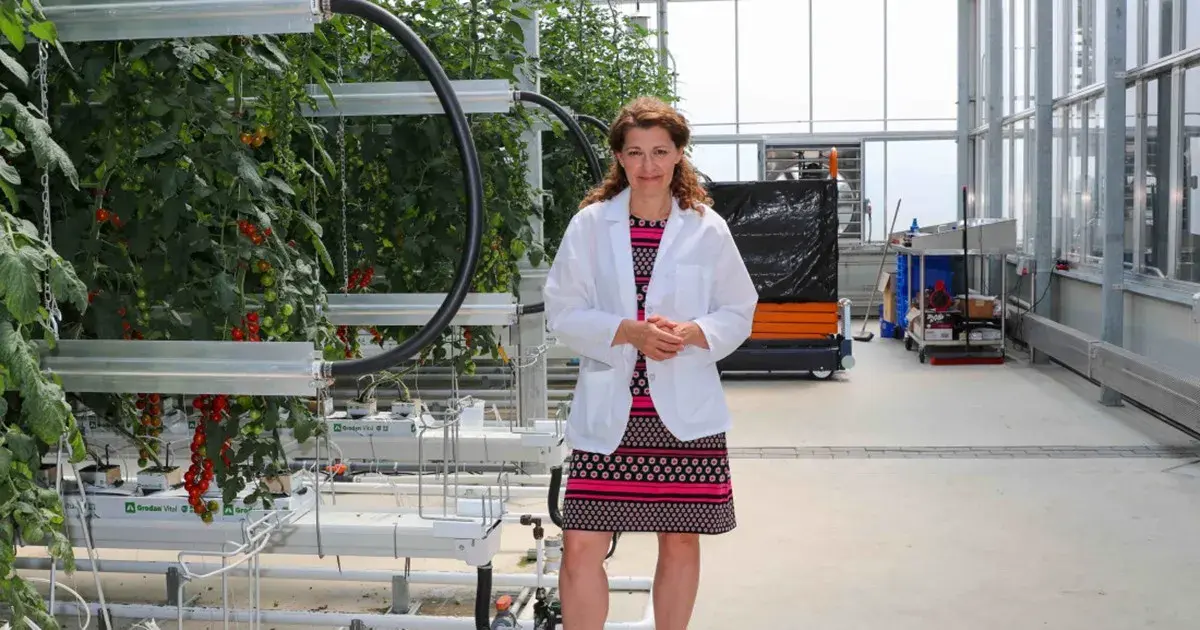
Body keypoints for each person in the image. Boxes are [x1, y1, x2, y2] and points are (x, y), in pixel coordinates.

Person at [542, 96, 759, 630]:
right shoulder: (591, 225)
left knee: (681, 538)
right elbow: (562, 309)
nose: (648, 165)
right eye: (635, 152)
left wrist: (695, 332)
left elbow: (739, 308)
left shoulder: (706, 228)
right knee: (580, 545)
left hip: (682, 413)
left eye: (661, 151)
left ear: (680, 154)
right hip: (612, 411)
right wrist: (625, 331)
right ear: (618, 157)